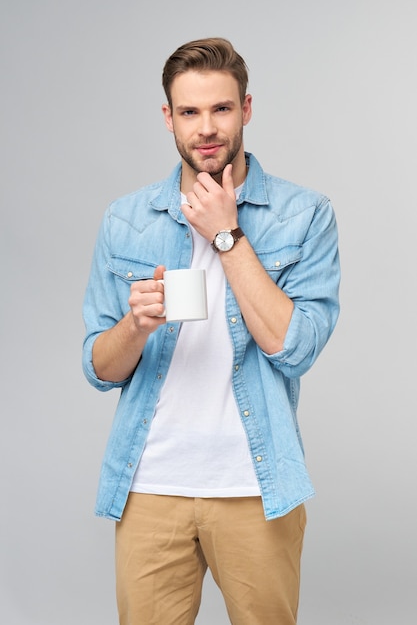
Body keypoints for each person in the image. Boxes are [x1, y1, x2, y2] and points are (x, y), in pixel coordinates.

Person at [82, 37, 340, 625]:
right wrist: (135, 325)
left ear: (246, 109)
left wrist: (227, 235)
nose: (207, 128)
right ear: (168, 117)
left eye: (221, 109)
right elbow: (98, 368)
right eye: (190, 112)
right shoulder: (126, 220)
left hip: (256, 485)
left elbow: (294, 348)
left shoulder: (304, 215)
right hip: (149, 486)